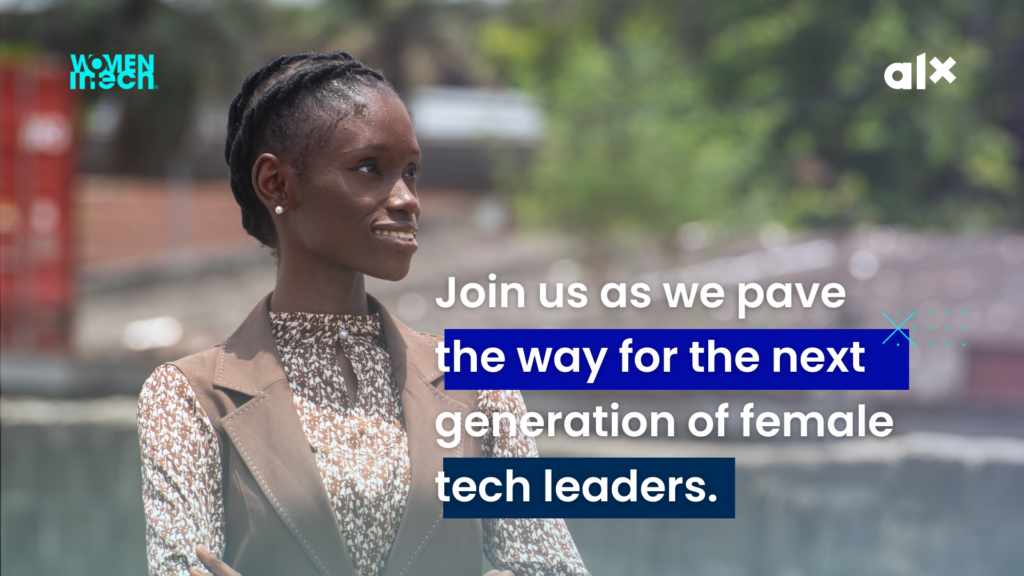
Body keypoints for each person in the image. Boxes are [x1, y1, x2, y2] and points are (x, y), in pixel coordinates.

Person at [137, 52, 588, 576]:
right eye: (370, 168)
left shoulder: (479, 382)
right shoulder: (187, 398)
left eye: (411, 172)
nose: (407, 199)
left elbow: (553, 569)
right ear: (276, 184)